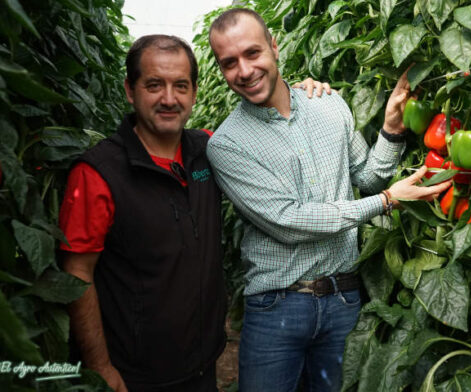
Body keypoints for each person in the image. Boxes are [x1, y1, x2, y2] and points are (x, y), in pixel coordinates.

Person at [59, 34, 329, 392]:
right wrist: (101, 367)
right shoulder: (99, 173)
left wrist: (298, 94)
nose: (169, 99)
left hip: (203, 363)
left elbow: (269, 131)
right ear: (130, 89)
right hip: (134, 375)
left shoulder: (210, 150)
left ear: (195, 92)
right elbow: (78, 274)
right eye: (154, 85)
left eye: (180, 86)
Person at [206, 8, 451, 392]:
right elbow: (289, 221)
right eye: (229, 62)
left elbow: (367, 179)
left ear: (274, 47)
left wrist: (389, 130)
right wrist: (387, 201)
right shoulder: (227, 144)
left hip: (343, 301)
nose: (244, 70)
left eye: (252, 53)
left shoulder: (329, 104)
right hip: (276, 309)